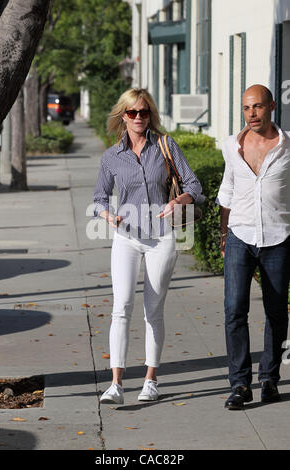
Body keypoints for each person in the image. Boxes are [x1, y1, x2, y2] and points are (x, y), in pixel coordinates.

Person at [92, 88, 204, 404]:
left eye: (144, 112)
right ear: (123, 116)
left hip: (162, 238)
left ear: (150, 114)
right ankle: (116, 384)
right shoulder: (112, 156)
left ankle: (150, 380)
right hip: (126, 237)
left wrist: (179, 200)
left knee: (152, 310)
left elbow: (194, 185)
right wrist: (105, 213)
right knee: (121, 306)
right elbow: (99, 196)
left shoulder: (166, 146)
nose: (139, 117)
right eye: (132, 113)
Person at [217, 84, 290, 410]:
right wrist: (223, 235)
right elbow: (227, 192)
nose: (252, 114)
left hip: (279, 238)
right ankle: (240, 384)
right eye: (247, 108)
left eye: (258, 107)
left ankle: (269, 380)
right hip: (239, 236)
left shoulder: (287, 146)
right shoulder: (232, 145)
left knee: (276, 312)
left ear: (271, 106)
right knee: (234, 310)